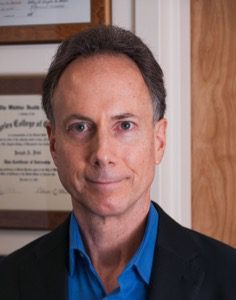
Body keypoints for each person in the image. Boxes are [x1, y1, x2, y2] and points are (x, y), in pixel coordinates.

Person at [0, 25, 235, 300]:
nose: (102, 153)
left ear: (158, 141)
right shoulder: (9, 279)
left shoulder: (230, 278)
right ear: (54, 145)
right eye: (80, 127)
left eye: (125, 125)